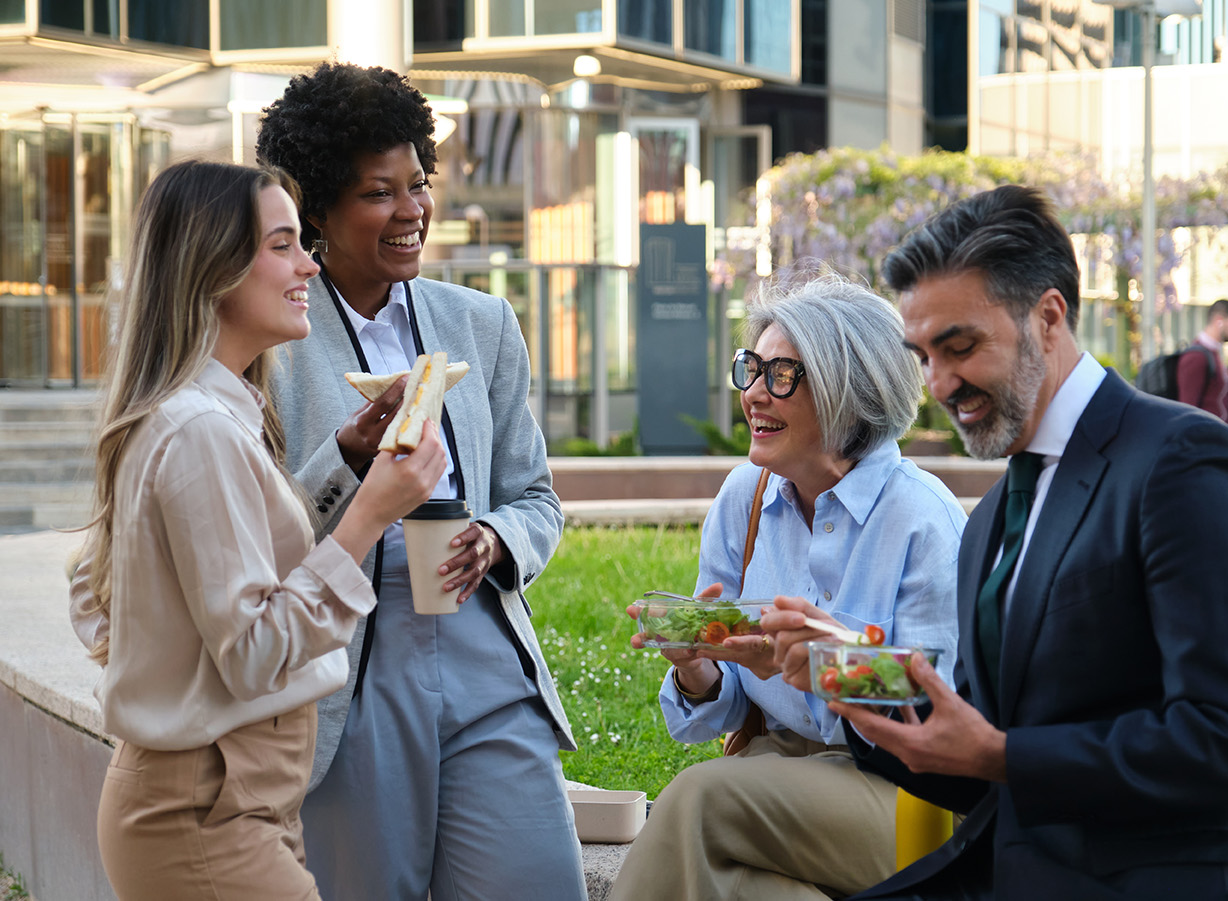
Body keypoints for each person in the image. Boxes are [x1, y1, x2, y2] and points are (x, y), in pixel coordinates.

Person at [766, 186, 1228, 900]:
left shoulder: (1182, 462)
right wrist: (841, 675)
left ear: (1048, 316)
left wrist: (1003, 755)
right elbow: (978, 740)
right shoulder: (993, 513)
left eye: (959, 346)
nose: (939, 382)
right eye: (923, 355)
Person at [68, 160, 445, 898]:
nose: (310, 261)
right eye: (282, 244)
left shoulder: (195, 415)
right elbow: (252, 652)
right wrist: (371, 515)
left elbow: (95, 595)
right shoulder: (200, 429)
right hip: (206, 808)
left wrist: (344, 463)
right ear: (212, 270)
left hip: (221, 800)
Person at [255, 62, 585, 901]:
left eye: (419, 184)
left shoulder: (482, 321)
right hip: (353, 670)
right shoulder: (271, 345)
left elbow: (536, 497)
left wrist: (498, 538)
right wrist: (346, 459)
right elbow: (256, 527)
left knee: (538, 881)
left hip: (483, 650)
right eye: (378, 193)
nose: (411, 212)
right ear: (317, 209)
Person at [608, 273, 967, 901]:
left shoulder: (921, 518)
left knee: (698, 797)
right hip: (775, 770)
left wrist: (816, 664)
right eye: (751, 369)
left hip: (907, 798)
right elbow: (719, 712)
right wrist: (697, 667)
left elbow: (932, 699)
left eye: (780, 376)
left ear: (847, 392)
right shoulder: (744, 500)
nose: (753, 394)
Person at [1177, 298, 1228, 421]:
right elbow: (1187, 409)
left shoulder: (1212, 353)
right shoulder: (1196, 357)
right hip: (1204, 437)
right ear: (1219, 321)